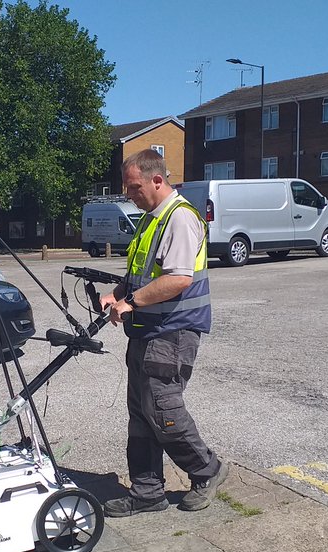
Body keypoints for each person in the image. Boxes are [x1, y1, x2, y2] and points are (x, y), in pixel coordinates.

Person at [100, 149, 227, 517]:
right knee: (141, 413)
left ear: (157, 180)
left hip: (173, 332)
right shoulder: (150, 219)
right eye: (127, 188)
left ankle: (207, 470)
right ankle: (147, 492)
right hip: (147, 330)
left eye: (134, 187)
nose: (129, 195)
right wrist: (117, 294)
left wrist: (131, 302)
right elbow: (142, 274)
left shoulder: (180, 218)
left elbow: (177, 279)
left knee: (162, 409)